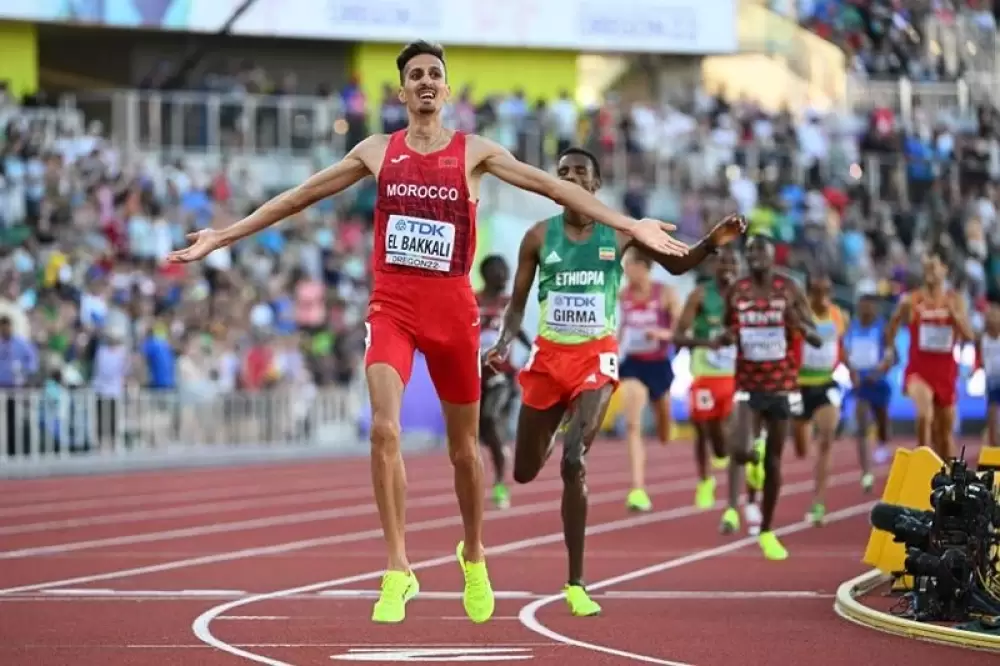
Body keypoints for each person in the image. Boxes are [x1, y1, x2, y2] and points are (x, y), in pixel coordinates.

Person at [166, 41, 688, 625]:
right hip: (391, 306)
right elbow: (299, 196)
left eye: (434, 74)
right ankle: (398, 567)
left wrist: (627, 222)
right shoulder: (375, 151)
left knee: (464, 451)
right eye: (415, 75)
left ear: (445, 90)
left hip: (451, 312)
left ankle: (474, 553)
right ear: (401, 92)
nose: (425, 82)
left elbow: (554, 188)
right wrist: (224, 235)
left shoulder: (475, 152)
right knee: (383, 431)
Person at [485, 147, 746, 615]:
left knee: (572, 462)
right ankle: (562, 420)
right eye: (561, 172)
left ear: (595, 185)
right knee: (525, 471)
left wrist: (712, 240)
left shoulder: (621, 234)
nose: (569, 178)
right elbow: (516, 306)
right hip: (548, 360)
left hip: (596, 358)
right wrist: (504, 343)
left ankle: (576, 583)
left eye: (579, 173)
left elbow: (679, 264)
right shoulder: (536, 237)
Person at [719, 236, 821, 560]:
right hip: (748, 385)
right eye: (750, 253)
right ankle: (753, 455)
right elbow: (727, 329)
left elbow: (816, 335)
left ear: (772, 256)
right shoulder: (737, 291)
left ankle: (766, 529)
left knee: (775, 461)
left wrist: (799, 325)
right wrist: (726, 336)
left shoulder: (789, 288)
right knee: (739, 448)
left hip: (781, 386)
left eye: (760, 252)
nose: (755, 258)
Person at [883, 246, 974, 460]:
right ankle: (921, 465)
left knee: (944, 435)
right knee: (925, 415)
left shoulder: (955, 300)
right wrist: (890, 350)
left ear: (945, 270)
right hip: (919, 371)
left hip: (945, 373)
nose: (930, 271)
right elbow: (892, 326)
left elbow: (969, 336)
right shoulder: (911, 301)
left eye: (935, 266)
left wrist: (955, 317)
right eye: (927, 267)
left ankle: (946, 476)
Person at [673, 247, 739, 511]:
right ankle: (704, 480)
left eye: (732, 263)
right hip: (705, 375)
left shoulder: (746, 296)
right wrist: (706, 342)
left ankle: (734, 457)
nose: (727, 269)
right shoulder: (700, 295)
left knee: (727, 432)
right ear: (715, 267)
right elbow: (678, 336)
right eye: (723, 264)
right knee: (703, 430)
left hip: (736, 376)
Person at [618, 249, 679, 512]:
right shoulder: (622, 296)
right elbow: (619, 326)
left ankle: (667, 428)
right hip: (632, 363)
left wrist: (662, 333)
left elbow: (681, 329)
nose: (625, 270)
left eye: (629, 265)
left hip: (659, 364)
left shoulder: (665, 293)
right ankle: (637, 488)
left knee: (664, 430)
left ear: (643, 267)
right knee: (633, 424)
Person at [794, 271, 849, 526]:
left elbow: (841, 346)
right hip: (798, 387)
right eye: (818, 292)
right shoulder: (797, 315)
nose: (823, 297)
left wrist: (852, 369)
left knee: (826, 439)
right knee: (802, 448)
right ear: (809, 293)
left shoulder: (839, 315)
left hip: (826, 383)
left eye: (828, 292)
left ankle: (818, 502)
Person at [477, 254, 530, 509]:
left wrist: (534, 349)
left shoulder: (509, 303)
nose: (506, 276)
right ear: (487, 273)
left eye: (507, 272)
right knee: (480, 433)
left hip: (502, 374)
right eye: (501, 271)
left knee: (490, 418)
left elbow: (518, 330)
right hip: (473, 373)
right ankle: (498, 453)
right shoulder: (472, 300)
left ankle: (500, 482)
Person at [842, 293, 894, 474]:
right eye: (862, 305)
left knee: (882, 420)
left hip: (878, 381)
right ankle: (866, 469)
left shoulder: (883, 328)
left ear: (875, 308)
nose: (865, 309)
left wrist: (879, 372)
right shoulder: (852, 327)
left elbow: (890, 355)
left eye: (869, 306)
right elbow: (846, 352)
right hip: (861, 381)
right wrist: (851, 371)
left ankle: (883, 443)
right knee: (862, 423)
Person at [977, 301, 1000, 448]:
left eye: (995, 317)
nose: (991, 320)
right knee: (991, 415)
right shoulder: (983, 339)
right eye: (989, 317)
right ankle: (993, 445)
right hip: (992, 381)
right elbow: (982, 360)